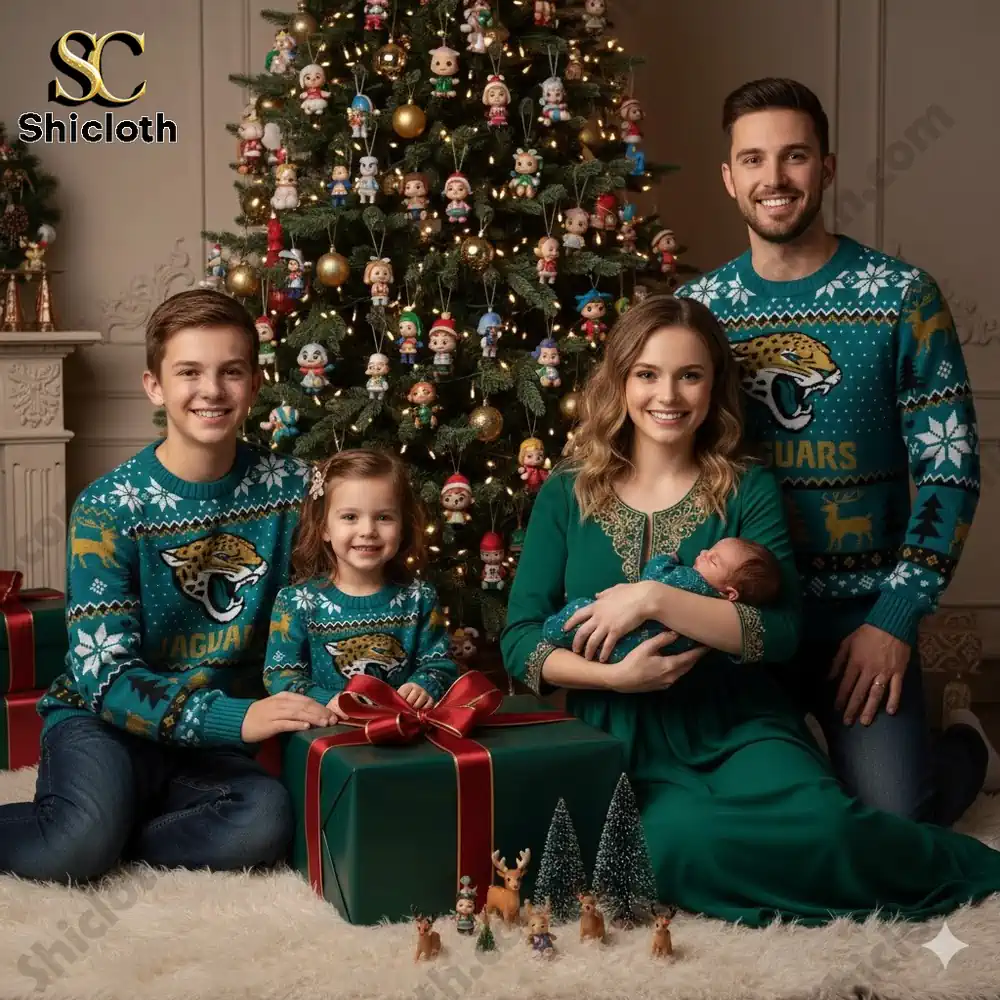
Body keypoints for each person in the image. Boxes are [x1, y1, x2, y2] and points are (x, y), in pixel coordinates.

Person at [500, 294, 1000, 927]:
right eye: (647, 374)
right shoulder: (569, 492)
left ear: (714, 385)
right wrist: (614, 678)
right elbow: (519, 639)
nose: (669, 395)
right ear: (620, 380)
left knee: (831, 831)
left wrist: (656, 598)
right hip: (619, 733)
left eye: (690, 375)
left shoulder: (746, 485)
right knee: (670, 849)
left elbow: (783, 631)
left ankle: (961, 775)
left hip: (737, 719)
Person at [675, 77, 999, 823]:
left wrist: (895, 619)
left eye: (794, 156)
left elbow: (951, 471)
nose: (774, 178)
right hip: (749, 614)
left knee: (894, 816)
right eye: (752, 160)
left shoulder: (902, 296)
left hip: (865, 613)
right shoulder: (703, 312)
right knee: (752, 808)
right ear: (729, 179)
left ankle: (967, 745)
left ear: (826, 166)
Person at [0, 289, 335, 885]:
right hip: (103, 722)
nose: (211, 390)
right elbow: (105, 674)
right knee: (73, 850)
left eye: (231, 371)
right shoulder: (109, 508)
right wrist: (239, 720)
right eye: (189, 372)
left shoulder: (297, 490)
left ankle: (116, 826)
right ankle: (95, 825)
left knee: (263, 820)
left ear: (255, 385)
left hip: (207, 746)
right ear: (154, 386)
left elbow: (323, 610)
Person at [263, 449, 459, 715]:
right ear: (324, 528)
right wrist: (324, 700)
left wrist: (424, 685)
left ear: (403, 526)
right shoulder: (296, 602)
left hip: (403, 733)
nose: (368, 531)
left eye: (383, 517)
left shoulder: (419, 597)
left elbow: (440, 663)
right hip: (327, 737)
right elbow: (279, 674)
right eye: (350, 517)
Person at [543, 538, 781, 663]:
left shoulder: (690, 580)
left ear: (731, 594)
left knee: (581, 611)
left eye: (713, 560)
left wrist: (665, 559)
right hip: (648, 655)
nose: (702, 553)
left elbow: (654, 578)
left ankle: (554, 630)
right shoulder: (716, 613)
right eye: (709, 550)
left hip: (626, 639)